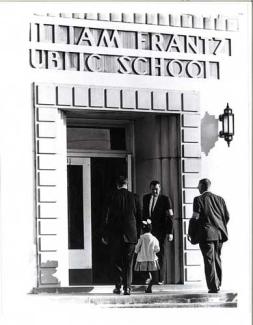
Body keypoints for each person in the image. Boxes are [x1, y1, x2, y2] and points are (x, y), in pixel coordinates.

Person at [188, 178, 229, 293]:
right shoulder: (220, 199)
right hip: (220, 234)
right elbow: (227, 216)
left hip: (206, 235)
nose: (197, 188)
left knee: (209, 260)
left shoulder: (198, 199)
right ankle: (218, 284)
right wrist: (220, 226)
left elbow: (195, 217)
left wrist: (191, 232)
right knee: (217, 259)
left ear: (202, 186)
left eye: (198, 186)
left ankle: (213, 287)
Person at [102, 176, 141, 295]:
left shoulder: (111, 196)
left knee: (117, 261)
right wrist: (137, 234)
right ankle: (128, 287)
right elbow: (139, 217)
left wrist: (105, 234)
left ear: (117, 185)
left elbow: (106, 218)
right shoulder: (135, 197)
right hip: (131, 235)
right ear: (127, 184)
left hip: (115, 234)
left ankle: (118, 286)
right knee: (129, 262)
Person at [142, 180, 174, 283]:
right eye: (153, 189)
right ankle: (150, 278)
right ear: (150, 189)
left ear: (159, 189)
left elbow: (170, 217)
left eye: (156, 189)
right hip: (149, 232)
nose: (155, 191)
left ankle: (160, 279)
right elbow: (144, 214)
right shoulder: (146, 198)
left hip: (161, 232)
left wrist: (170, 232)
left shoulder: (165, 199)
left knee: (160, 254)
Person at [134, 219, 160, 293]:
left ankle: (147, 279)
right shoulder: (154, 238)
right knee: (153, 273)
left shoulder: (141, 238)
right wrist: (153, 251)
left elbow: (137, 248)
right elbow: (157, 249)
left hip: (142, 259)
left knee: (143, 272)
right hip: (151, 259)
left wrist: (136, 251)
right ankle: (149, 287)